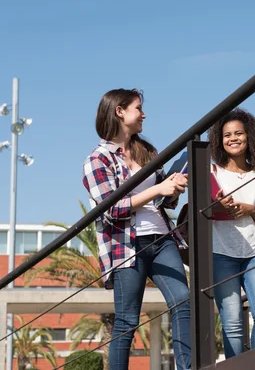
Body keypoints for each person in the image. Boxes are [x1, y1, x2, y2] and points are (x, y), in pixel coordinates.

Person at [82, 88, 191, 370]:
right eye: (138, 108)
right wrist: (158, 187)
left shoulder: (147, 151)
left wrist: (174, 188)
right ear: (120, 111)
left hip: (162, 238)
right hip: (126, 246)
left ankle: (188, 367)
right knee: (128, 320)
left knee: (182, 300)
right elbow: (111, 209)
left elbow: (163, 201)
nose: (144, 114)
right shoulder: (98, 159)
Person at [208, 108, 255, 358]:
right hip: (220, 254)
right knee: (233, 323)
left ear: (250, 137)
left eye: (239, 133)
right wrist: (217, 206)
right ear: (219, 140)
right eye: (227, 135)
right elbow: (199, 213)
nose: (233, 138)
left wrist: (251, 210)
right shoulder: (212, 173)